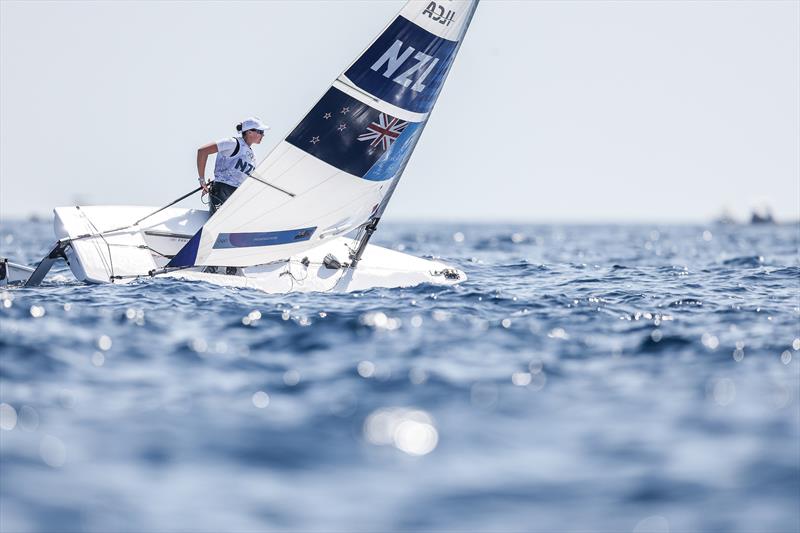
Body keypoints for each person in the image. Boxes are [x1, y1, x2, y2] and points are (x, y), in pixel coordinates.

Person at [197, 117, 269, 214]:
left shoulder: (252, 156)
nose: (263, 135)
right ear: (249, 132)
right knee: (221, 226)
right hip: (222, 191)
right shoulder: (232, 143)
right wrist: (202, 180)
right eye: (260, 131)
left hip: (238, 196)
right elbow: (202, 151)